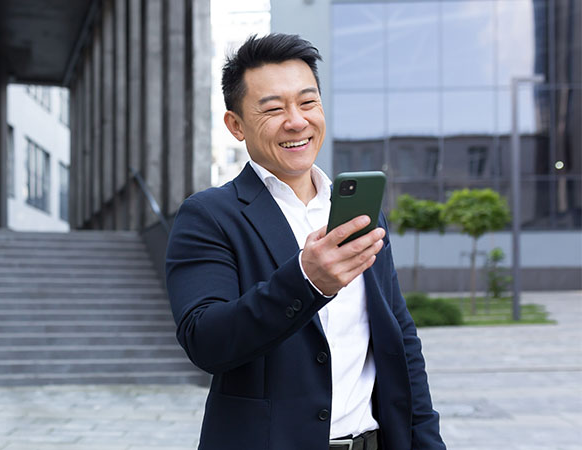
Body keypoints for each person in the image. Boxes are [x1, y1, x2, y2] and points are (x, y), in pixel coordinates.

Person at [165, 34, 446, 450]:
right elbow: (205, 341)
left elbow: (400, 339)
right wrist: (306, 280)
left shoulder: (360, 214)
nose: (296, 121)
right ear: (236, 125)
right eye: (273, 109)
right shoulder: (209, 216)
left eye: (308, 102)